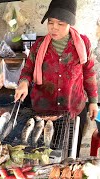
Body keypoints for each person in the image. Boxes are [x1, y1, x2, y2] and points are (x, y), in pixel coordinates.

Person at [14, 0, 98, 156]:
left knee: (70, 153)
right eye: (50, 22)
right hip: (44, 111)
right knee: (43, 153)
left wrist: (93, 101)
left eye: (60, 23)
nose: (54, 27)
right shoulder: (38, 46)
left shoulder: (83, 44)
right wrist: (24, 83)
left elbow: (89, 72)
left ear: (70, 24)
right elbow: (27, 70)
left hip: (73, 108)